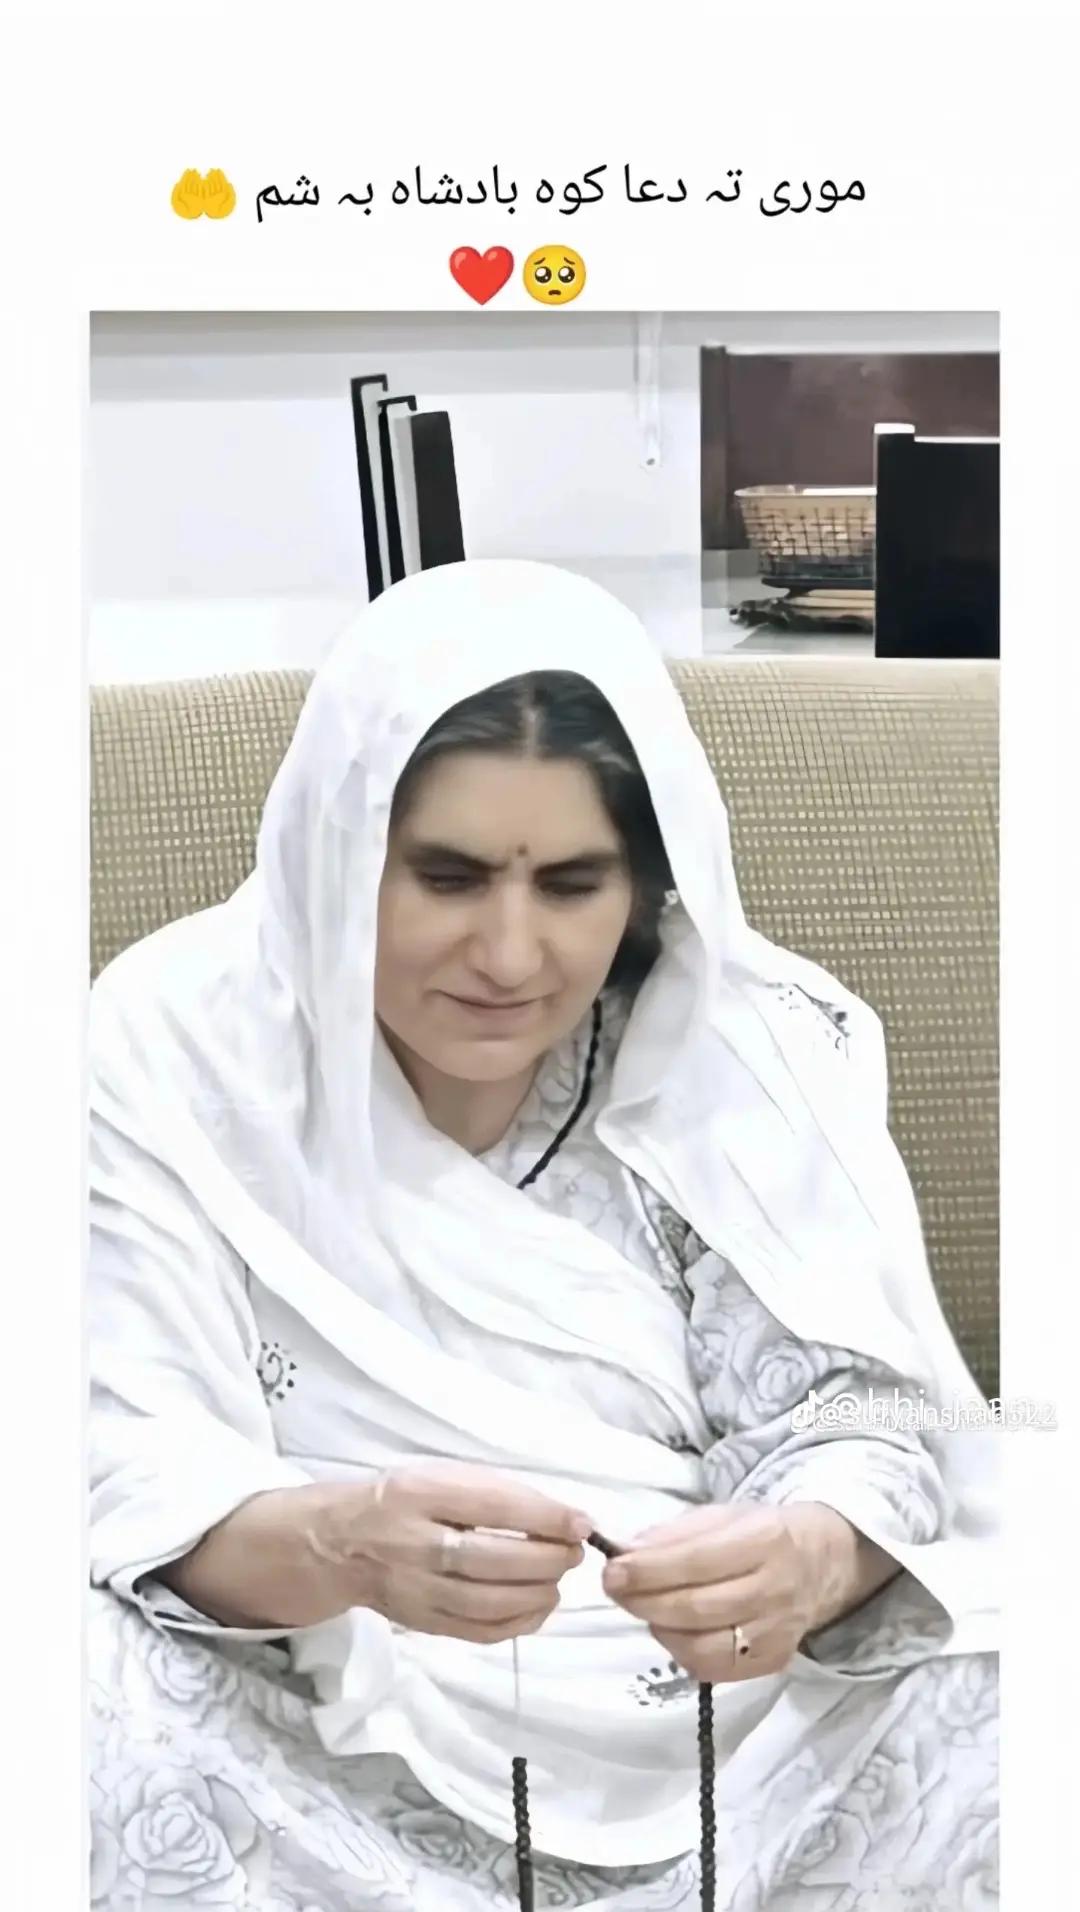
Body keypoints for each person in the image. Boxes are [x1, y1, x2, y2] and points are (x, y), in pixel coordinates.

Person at [88, 559, 999, 1911]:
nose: (510, 957)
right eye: (447, 878)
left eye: (572, 885)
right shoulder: (169, 1050)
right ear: (342, 850)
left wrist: (811, 1553)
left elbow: (863, 1416)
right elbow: (119, 1462)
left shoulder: (738, 1052)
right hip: (320, 1707)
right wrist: (347, 1547)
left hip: (734, 1725)